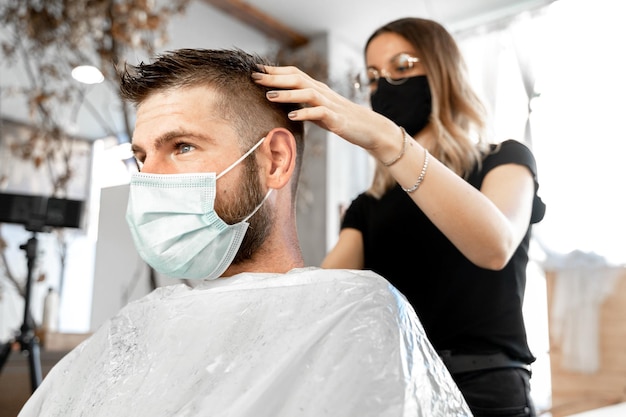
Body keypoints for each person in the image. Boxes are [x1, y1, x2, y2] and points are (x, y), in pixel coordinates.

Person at [17, 48, 472, 416]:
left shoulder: (349, 315)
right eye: (140, 157)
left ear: (274, 160)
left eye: (182, 146)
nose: (149, 178)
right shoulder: (136, 330)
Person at [252, 17, 546, 417]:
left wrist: (387, 138)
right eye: (373, 76)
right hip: (398, 386)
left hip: (484, 386)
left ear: (443, 73)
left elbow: (494, 246)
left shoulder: (505, 160)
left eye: (402, 67)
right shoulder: (367, 206)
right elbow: (322, 298)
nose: (384, 85)